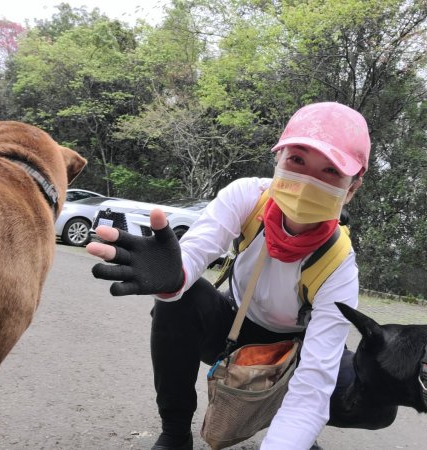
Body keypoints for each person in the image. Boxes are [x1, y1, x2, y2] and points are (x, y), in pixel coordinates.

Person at [87, 102, 397, 450]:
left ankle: (292, 430)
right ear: (278, 160)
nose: (309, 180)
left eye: (330, 171)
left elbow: (313, 382)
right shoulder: (247, 196)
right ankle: (174, 432)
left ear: (352, 187)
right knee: (180, 300)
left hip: (296, 349)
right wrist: (174, 276)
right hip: (234, 328)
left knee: (377, 400)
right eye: (297, 160)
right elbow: (194, 253)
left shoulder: (340, 265)